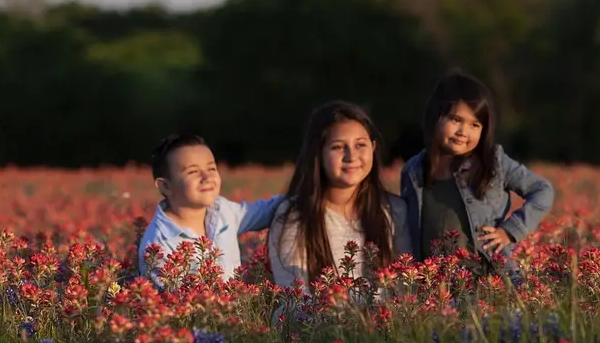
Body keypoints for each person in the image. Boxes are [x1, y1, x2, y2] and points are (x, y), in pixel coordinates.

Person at [399, 71, 554, 267]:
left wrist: (510, 231)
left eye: (475, 124)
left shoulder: (494, 162)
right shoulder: (413, 171)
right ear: (434, 117)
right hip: (436, 285)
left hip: (488, 279)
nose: (463, 132)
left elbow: (542, 190)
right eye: (455, 120)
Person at [267, 101, 411, 288]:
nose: (351, 156)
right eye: (337, 147)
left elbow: (407, 288)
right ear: (318, 153)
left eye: (360, 145)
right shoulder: (296, 216)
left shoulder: (394, 211)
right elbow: (295, 297)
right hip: (316, 317)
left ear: (373, 148)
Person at [138, 133, 282, 287]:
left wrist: (302, 194)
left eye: (211, 168)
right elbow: (176, 305)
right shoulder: (158, 246)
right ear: (166, 186)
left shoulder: (222, 210)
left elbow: (266, 210)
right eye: (193, 172)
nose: (206, 177)